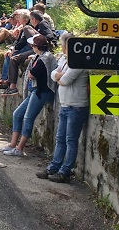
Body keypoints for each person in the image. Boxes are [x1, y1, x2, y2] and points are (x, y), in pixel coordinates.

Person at [37, 32, 89, 183]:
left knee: (70, 140)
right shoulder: (65, 59)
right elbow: (53, 74)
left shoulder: (79, 62)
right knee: (60, 138)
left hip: (76, 106)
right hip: (65, 105)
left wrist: (59, 76)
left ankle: (65, 171)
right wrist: (58, 76)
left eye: (63, 45)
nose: (61, 47)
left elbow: (65, 80)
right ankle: (54, 167)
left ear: (68, 46)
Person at [0, 35, 56, 157]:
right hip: (35, 90)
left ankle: (20, 148)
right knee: (17, 114)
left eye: (33, 46)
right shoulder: (38, 56)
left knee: (28, 118)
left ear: (37, 47)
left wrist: (32, 67)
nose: (31, 47)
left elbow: (32, 74)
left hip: (42, 91)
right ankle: (12, 144)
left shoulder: (45, 58)